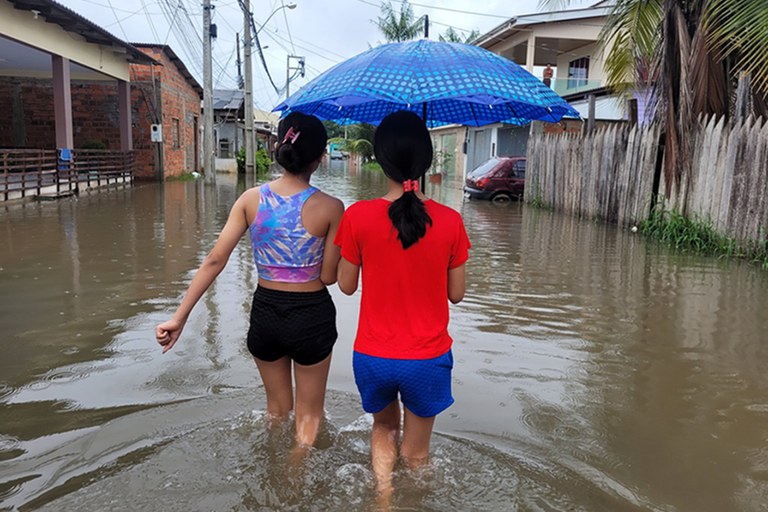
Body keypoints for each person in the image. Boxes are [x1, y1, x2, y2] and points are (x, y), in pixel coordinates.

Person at [156, 112, 345, 452]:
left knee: (276, 412)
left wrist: (179, 318)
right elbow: (329, 276)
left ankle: (270, 466)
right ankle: (294, 474)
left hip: (266, 313)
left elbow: (214, 260)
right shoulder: (332, 207)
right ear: (319, 157)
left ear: (279, 148)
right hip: (311, 315)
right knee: (308, 417)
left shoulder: (250, 199)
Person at [334, 111, 471, 497]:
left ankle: (382, 496)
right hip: (427, 359)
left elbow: (346, 286)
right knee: (416, 455)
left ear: (380, 159)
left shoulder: (357, 216)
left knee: (383, 428)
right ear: (427, 160)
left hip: (373, 357)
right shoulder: (450, 221)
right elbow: (457, 294)